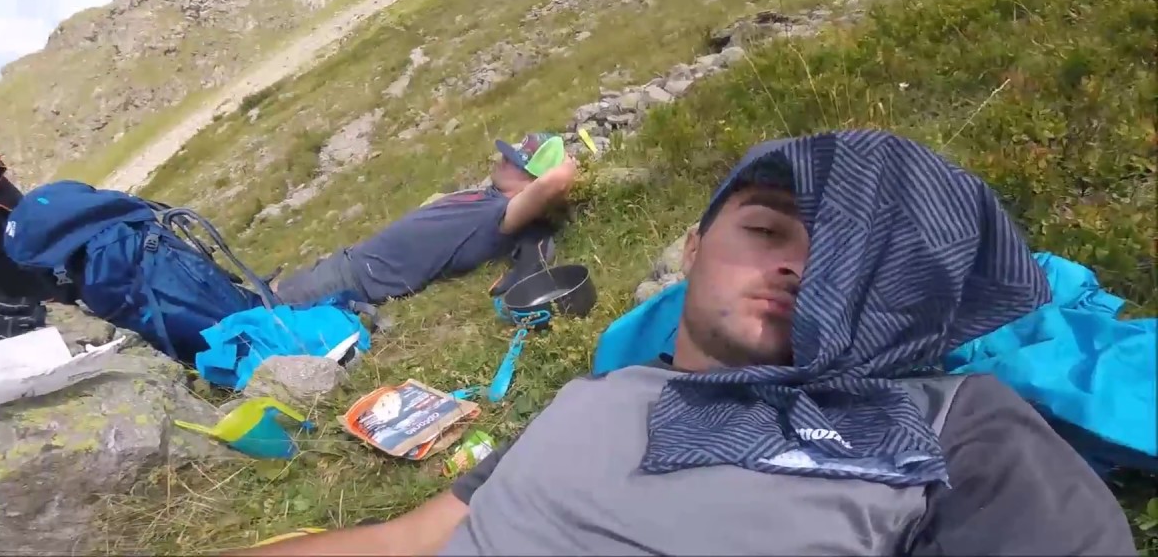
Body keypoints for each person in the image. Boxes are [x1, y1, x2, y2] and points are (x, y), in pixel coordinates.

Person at [233, 131, 1135, 557]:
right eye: (768, 230)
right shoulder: (599, 398)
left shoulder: (954, 428)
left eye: (846, 258)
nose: (797, 270)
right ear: (694, 252)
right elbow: (407, 540)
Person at [274, 133, 578, 307]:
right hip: (345, 262)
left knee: (257, 317)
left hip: (354, 281)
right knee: (261, 300)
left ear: (531, 181)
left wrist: (568, 164)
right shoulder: (491, 196)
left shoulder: (499, 216)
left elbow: (555, 183)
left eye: (513, 161)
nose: (502, 160)